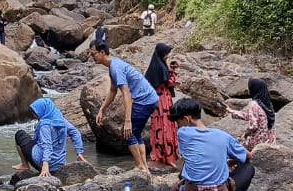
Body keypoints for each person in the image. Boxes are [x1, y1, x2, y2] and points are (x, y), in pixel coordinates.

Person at [90, 41, 159, 174]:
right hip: (150, 98)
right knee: (136, 133)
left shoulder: (116, 67)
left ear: (102, 52)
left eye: (94, 54)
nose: (92, 57)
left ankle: (140, 167)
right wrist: (101, 110)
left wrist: (127, 121)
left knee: (128, 133)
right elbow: (112, 90)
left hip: (144, 100)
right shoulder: (113, 65)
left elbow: (126, 94)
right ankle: (144, 167)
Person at [170, 98, 255, 191]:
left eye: (178, 122)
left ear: (186, 119)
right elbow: (248, 156)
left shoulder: (182, 133)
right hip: (219, 189)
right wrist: (230, 161)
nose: (177, 126)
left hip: (192, 188)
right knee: (248, 166)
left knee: (187, 164)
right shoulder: (223, 136)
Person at [13, 97, 85, 177]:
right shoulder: (61, 120)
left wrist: (45, 165)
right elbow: (75, 132)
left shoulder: (45, 125)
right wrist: (79, 153)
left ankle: (24, 164)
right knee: (32, 141)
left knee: (20, 134)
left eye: (36, 112)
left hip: (43, 163)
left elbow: (47, 145)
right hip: (59, 164)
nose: (35, 115)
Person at [145, 43, 179, 168]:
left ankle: (162, 153)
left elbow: (163, 80)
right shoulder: (159, 66)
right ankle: (167, 155)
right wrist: (174, 72)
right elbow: (169, 82)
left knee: (161, 125)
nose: (168, 55)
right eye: (166, 53)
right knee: (164, 124)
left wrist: (170, 70)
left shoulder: (157, 65)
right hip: (162, 100)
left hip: (160, 98)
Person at [226, 78, 276, 150]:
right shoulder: (268, 104)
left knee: (232, 148)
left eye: (249, 87)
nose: (247, 89)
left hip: (257, 143)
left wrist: (245, 134)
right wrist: (232, 111)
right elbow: (253, 116)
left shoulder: (253, 104)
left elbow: (253, 125)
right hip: (269, 142)